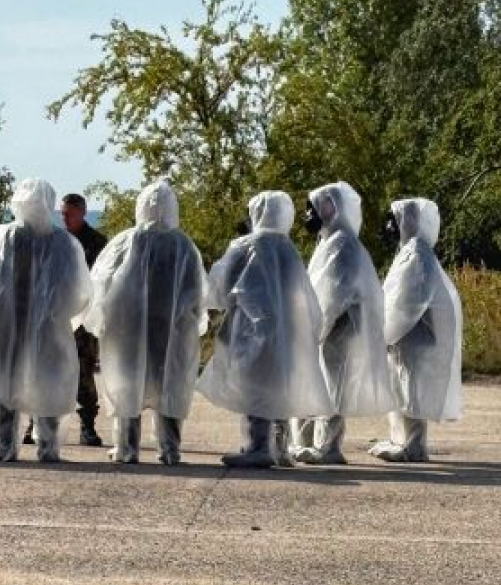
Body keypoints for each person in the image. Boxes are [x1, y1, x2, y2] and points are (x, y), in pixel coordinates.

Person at [197, 190, 333, 468]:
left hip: (251, 330)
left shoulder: (247, 245)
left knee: (254, 390)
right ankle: (279, 448)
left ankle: (258, 447)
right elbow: (304, 296)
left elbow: (221, 286)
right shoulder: (288, 249)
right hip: (288, 332)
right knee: (278, 389)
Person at [84, 178, 207, 465]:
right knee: (170, 385)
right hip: (171, 329)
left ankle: (126, 448)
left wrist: (100, 318)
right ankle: (170, 449)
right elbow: (197, 291)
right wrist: (192, 320)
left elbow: (100, 282)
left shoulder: (126, 242)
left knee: (127, 386)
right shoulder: (183, 246)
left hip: (127, 330)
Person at [0, 178, 91, 463]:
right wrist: (59, 315)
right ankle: (48, 446)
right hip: (49, 326)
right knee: (48, 382)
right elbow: (79, 290)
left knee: (5, 382)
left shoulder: (2, 238)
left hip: (4, 324)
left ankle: (5, 444)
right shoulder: (64, 243)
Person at [291, 181, 393, 464]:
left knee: (333, 387)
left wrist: (316, 328)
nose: (308, 216)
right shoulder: (330, 241)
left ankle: (329, 448)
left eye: (313, 209)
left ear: (329, 208)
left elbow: (334, 295)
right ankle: (316, 444)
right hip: (331, 328)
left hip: (339, 329)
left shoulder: (342, 244)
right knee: (324, 383)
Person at [369, 198, 462, 462]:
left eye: (395, 219)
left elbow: (406, 303)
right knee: (402, 390)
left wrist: (384, 332)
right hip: (412, 336)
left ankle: (413, 446)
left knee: (410, 392)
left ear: (409, 221)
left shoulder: (416, 255)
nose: (390, 225)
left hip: (415, 337)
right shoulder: (413, 252)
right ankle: (403, 440)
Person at [60, 192, 108, 446]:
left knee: (84, 371)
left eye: (69, 214)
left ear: (82, 212)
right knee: (49, 369)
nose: (65, 218)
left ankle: (87, 425)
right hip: (59, 316)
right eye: (62, 214)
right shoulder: (58, 241)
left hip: (85, 319)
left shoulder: (97, 242)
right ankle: (39, 423)